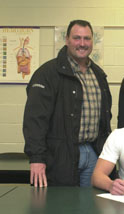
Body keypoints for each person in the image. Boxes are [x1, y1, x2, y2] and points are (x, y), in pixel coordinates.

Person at [23, 20, 112, 187]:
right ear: (67, 40)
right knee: (61, 206)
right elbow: (35, 120)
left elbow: (105, 119)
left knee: (92, 206)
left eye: (87, 38)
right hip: (60, 156)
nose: (82, 43)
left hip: (93, 153)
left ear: (92, 41)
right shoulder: (47, 74)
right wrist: (36, 158)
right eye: (77, 38)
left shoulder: (98, 75)